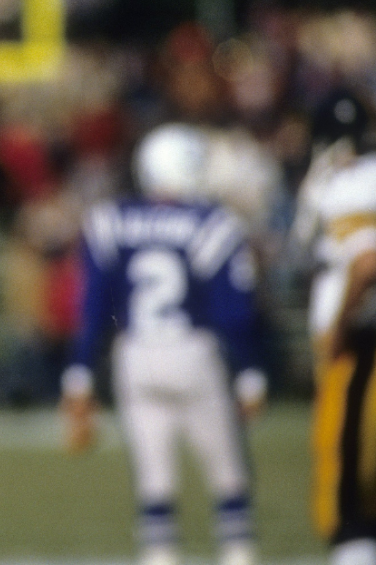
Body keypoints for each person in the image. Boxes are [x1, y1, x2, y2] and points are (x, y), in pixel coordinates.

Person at [61, 123, 266, 565]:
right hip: (193, 351)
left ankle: (160, 555)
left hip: (134, 355)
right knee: (227, 475)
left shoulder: (110, 218)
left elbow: (93, 307)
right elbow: (233, 312)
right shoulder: (213, 223)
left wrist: (78, 376)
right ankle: (237, 552)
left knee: (155, 482)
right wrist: (250, 374)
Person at [292, 89, 376, 565]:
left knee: (345, 468)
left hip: (360, 339)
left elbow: (365, 262)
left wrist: (343, 324)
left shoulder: (345, 183)